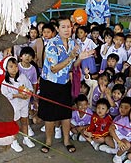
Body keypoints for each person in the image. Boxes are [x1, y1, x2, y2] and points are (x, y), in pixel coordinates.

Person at [38, 16, 94, 154]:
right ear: (57, 29)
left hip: (64, 83)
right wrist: (71, 57)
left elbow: (72, 67)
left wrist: (80, 58)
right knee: (50, 114)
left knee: (66, 113)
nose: (67, 30)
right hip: (50, 83)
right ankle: (48, 141)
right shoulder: (52, 44)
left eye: (69, 27)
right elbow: (54, 68)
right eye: (63, 27)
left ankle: (67, 140)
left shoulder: (74, 43)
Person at [0, 56, 35, 152]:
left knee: (25, 121)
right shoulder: (4, 82)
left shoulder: (22, 77)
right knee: (15, 125)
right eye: (11, 66)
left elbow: (30, 87)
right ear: (6, 69)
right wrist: (16, 95)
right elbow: (5, 96)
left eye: (15, 66)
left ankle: (26, 138)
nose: (14, 68)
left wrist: (29, 93)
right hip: (13, 107)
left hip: (24, 104)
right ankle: (14, 142)